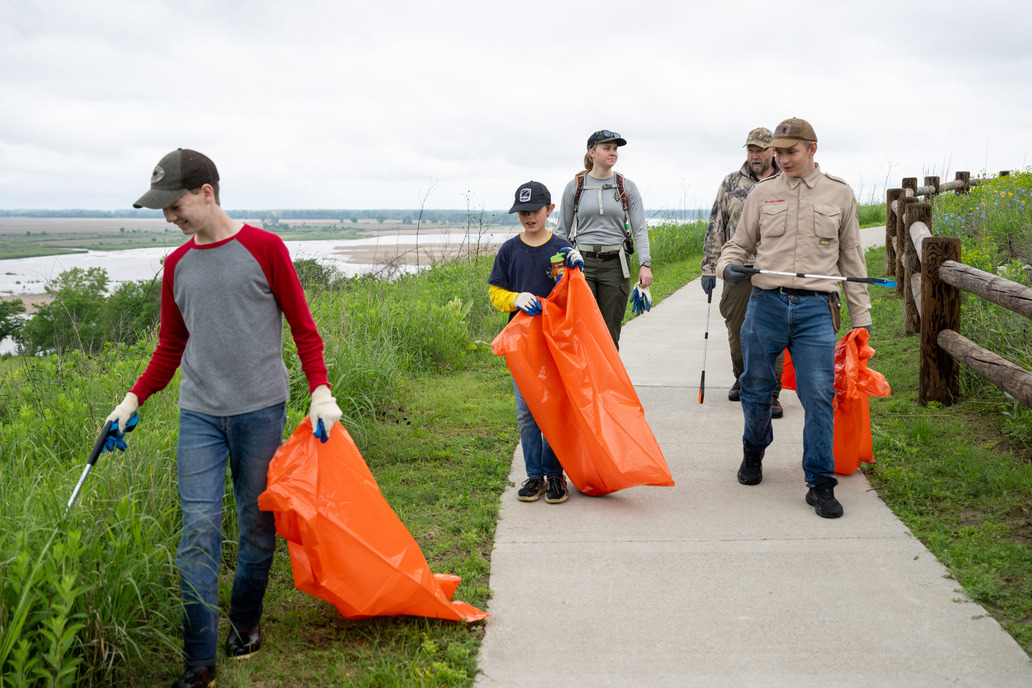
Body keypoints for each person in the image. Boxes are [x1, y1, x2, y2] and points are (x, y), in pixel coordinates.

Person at [103, 148, 343, 688]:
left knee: (257, 525)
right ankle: (198, 660)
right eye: (164, 209)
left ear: (206, 192)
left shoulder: (266, 249)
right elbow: (170, 345)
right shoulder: (177, 267)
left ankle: (247, 624)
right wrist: (132, 399)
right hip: (200, 416)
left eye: (175, 205)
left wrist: (320, 390)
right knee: (199, 530)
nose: (170, 217)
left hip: (261, 409)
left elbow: (304, 331)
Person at [716, 118, 872, 519]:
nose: (781, 159)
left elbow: (852, 259)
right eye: (778, 152)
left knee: (819, 394)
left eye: (791, 152)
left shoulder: (840, 194)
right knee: (755, 389)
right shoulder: (762, 194)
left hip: (817, 311)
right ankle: (754, 451)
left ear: (812, 149)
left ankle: (820, 482)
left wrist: (861, 317)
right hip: (765, 304)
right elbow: (738, 244)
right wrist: (727, 267)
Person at [488, 181, 582, 504]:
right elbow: (494, 293)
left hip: (553, 344)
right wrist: (516, 298)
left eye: (535, 211)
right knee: (527, 412)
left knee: (553, 411)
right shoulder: (509, 251)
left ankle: (556, 475)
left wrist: (575, 271)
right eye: (523, 212)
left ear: (550, 210)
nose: (529, 218)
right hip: (521, 348)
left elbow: (570, 297)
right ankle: (534, 476)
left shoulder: (560, 248)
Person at [701, 127, 785, 417]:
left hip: (774, 270)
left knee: (772, 334)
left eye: (760, 149)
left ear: (773, 151)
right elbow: (716, 225)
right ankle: (742, 378)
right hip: (737, 270)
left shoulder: (785, 180)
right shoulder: (731, 182)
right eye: (751, 149)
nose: (755, 154)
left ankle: (772, 394)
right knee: (737, 331)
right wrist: (710, 269)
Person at [556, 130, 651, 349]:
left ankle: (609, 383)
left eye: (615, 149)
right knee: (583, 329)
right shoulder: (575, 187)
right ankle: (585, 383)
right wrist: (559, 270)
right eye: (607, 148)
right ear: (592, 152)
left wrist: (645, 264)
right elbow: (562, 231)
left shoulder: (626, 186)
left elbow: (640, 229)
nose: (613, 153)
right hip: (581, 265)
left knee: (610, 333)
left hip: (616, 266)